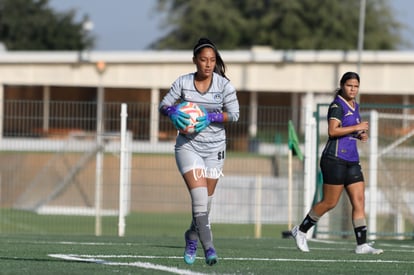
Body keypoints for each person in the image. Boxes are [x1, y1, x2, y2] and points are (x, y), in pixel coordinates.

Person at [159, 38, 240, 265]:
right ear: (195, 60)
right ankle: (209, 247)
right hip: (188, 146)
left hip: (215, 149)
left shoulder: (224, 85)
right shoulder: (183, 82)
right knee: (199, 197)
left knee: (207, 203)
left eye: (212, 60)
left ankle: (191, 235)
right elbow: (163, 104)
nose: (208, 64)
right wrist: (172, 111)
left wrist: (211, 116)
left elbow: (234, 114)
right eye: (203, 60)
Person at [292, 71, 383, 255]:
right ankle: (300, 231)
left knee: (359, 201)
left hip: (352, 160)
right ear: (342, 85)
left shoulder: (354, 105)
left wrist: (360, 134)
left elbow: (348, 130)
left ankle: (361, 245)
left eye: (356, 86)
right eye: (349, 85)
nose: (353, 89)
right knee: (329, 202)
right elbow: (333, 131)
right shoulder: (337, 106)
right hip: (334, 159)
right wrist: (357, 127)